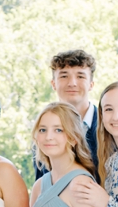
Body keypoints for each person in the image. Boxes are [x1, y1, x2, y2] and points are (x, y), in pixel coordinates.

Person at [33, 50, 100, 181]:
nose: (72, 83)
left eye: (80, 76)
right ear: (53, 84)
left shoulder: (110, 126)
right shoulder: (43, 130)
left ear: (91, 84)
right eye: (64, 76)